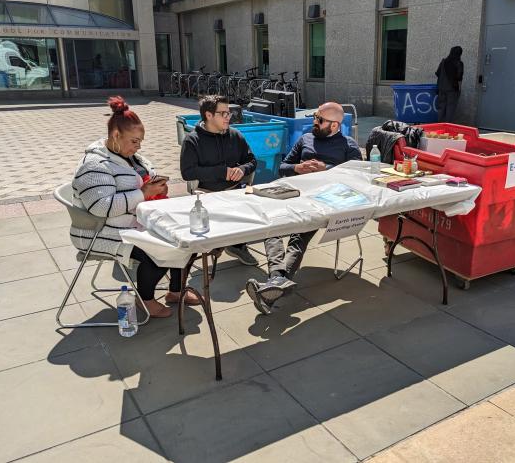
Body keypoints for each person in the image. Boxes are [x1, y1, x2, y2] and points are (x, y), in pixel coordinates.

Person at [70, 96, 200, 318]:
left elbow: (140, 187)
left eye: (140, 141)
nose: (138, 146)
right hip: (100, 231)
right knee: (159, 250)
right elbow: (101, 207)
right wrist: (143, 193)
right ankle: (145, 300)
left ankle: (175, 292)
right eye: (134, 141)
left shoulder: (130, 157)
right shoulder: (93, 166)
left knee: (188, 238)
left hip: (135, 222)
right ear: (116, 135)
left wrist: (157, 189)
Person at [245, 102, 362, 315]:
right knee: (271, 227)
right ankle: (277, 281)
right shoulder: (305, 139)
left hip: (326, 201)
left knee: (298, 237)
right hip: (296, 194)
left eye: (319, 119)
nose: (314, 122)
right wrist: (297, 168)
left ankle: (275, 283)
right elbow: (282, 167)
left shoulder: (348, 145)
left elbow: (358, 177)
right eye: (315, 117)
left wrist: (327, 169)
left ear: (335, 125)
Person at [180, 95, 259, 266]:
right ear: (208, 115)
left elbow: (252, 161)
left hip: (236, 190)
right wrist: (221, 172)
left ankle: (236, 245)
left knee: (259, 211)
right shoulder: (193, 140)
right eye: (223, 113)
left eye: (229, 113)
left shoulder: (235, 135)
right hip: (207, 194)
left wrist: (242, 169)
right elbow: (187, 172)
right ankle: (222, 244)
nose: (228, 117)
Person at [435, 46, 463, 123]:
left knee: (441, 107)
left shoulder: (443, 61)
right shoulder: (459, 63)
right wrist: (459, 90)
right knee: (450, 108)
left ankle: (439, 124)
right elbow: (459, 77)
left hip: (441, 88)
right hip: (452, 89)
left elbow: (437, 73)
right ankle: (448, 126)